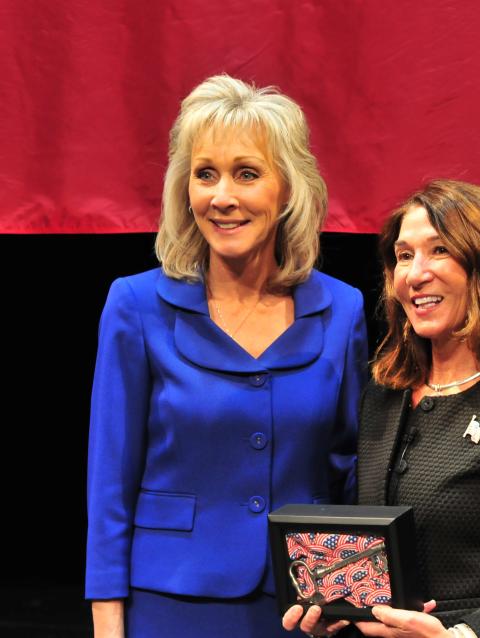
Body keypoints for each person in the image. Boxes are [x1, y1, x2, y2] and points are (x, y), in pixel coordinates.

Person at [85, 75, 368, 638]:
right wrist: (107, 625)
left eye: (247, 173)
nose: (223, 197)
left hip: (302, 610)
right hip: (167, 600)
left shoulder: (343, 308)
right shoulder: (135, 305)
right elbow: (109, 482)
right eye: (205, 174)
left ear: (287, 189)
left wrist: (344, 593)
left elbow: (351, 470)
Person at [284, 180, 480, 637]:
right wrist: (340, 607)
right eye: (404, 255)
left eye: (439, 251)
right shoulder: (383, 396)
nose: (415, 274)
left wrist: (460, 636)